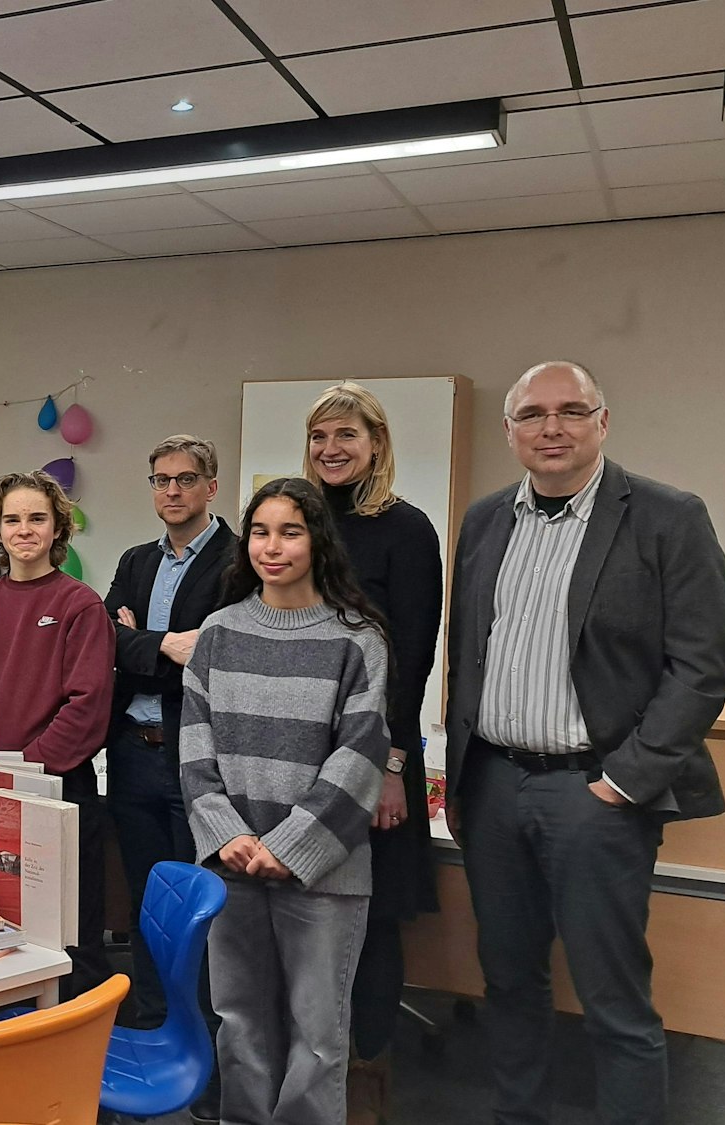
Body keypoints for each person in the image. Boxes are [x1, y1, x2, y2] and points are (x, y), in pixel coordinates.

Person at [446, 362, 725, 1125]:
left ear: (602, 422)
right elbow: (469, 645)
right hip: (496, 785)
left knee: (613, 996)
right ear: (509, 432)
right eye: (533, 414)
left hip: (594, 791)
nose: (552, 427)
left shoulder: (668, 517)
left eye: (572, 410)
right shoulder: (484, 520)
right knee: (507, 980)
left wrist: (626, 780)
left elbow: (702, 668)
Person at [181, 477, 391, 1125]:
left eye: (291, 531)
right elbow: (195, 749)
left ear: (317, 541)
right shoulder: (217, 632)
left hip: (324, 874)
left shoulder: (357, 639)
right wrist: (226, 836)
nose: (273, 547)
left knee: (317, 1036)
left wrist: (289, 848)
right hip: (233, 865)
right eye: (262, 532)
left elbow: (358, 760)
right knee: (240, 1022)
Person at [300, 383, 444, 1124]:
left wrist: (392, 763)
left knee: (371, 915)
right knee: (307, 911)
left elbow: (412, 659)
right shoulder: (301, 524)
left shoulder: (407, 528)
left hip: (375, 753)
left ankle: (364, 1086)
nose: (332, 448)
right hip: (300, 752)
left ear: (377, 442)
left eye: (347, 434)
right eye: (320, 434)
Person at [0, 471, 114, 999]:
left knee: (67, 928)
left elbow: (87, 706)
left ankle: (73, 1037)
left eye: (37, 518)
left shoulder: (80, 605)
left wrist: (30, 772)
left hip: (60, 791)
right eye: (12, 519)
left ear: (58, 527)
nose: (24, 530)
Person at [103, 434, 235, 1036]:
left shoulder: (238, 562)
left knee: (200, 907)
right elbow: (104, 638)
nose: (173, 490)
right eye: (161, 479)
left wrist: (140, 642)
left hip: (198, 755)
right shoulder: (136, 562)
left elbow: (215, 653)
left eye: (186, 479)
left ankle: (199, 1037)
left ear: (211, 487)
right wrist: (163, 644)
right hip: (134, 751)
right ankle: (153, 1021)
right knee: (146, 900)